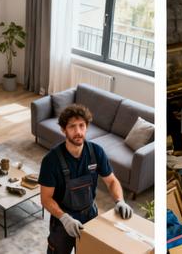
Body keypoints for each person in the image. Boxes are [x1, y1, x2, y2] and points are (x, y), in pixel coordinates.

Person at [38, 105, 133, 254]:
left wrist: (120, 201)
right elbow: (45, 198)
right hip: (63, 221)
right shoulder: (51, 161)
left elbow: (112, 181)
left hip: (90, 216)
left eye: (82, 126)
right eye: (72, 127)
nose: (78, 132)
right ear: (63, 130)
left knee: (89, 251)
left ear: (87, 127)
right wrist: (64, 218)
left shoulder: (96, 152)